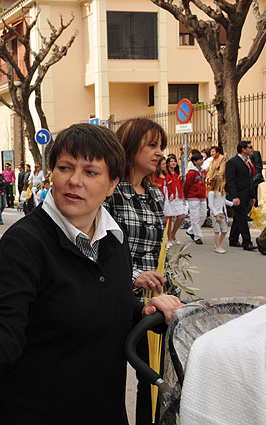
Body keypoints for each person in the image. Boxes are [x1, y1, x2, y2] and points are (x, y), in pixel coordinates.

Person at [0, 123, 181, 425]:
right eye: (65, 167)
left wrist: (145, 312)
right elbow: (6, 330)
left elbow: (105, 305)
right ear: (52, 173)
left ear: (113, 183)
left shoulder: (114, 240)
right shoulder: (24, 243)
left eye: (90, 172)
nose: (74, 181)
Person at [106, 118, 178, 425]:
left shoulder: (155, 195)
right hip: (116, 299)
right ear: (130, 146)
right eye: (152, 145)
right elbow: (103, 250)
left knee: (152, 378)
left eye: (161, 146)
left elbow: (157, 250)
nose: (159, 152)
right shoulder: (111, 194)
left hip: (151, 304)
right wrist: (134, 275)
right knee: (108, 380)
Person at [225, 140, 257, 250]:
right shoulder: (233, 162)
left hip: (247, 195)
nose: (252, 149)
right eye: (250, 147)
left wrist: (252, 196)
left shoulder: (249, 161)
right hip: (238, 195)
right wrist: (234, 196)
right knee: (243, 218)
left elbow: (250, 180)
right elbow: (230, 181)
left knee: (239, 217)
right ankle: (247, 242)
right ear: (243, 149)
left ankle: (233, 239)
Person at [183, 152, 207, 245]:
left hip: (202, 196)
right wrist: (185, 196)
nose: (202, 161)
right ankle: (197, 236)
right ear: (195, 162)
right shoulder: (191, 173)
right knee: (195, 217)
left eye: (202, 159)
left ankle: (191, 231)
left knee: (203, 215)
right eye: (200, 160)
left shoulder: (203, 171)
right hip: (193, 196)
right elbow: (186, 185)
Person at [164, 154, 187, 246]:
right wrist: (170, 194)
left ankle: (173, 234)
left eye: (174, 161)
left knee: (181, 216)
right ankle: (169, 238)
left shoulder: (177, 173)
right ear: (168, 163)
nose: (173, 163)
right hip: (170, 198)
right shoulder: (166, 173)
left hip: (178, 197)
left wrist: (183, 196)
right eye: (171, 161)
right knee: (169, 218)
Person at [208, 175, 233, 254]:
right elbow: (210, 205)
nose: (224, 183)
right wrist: (216, 215)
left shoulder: (222, 193)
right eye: (222, 181)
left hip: (222, 213)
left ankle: (218, 243)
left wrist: (232, 203)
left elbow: (224, 201)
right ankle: (218, 246)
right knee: (217, 231)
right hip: (215, 214)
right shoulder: (211, 193)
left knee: (224, 230)